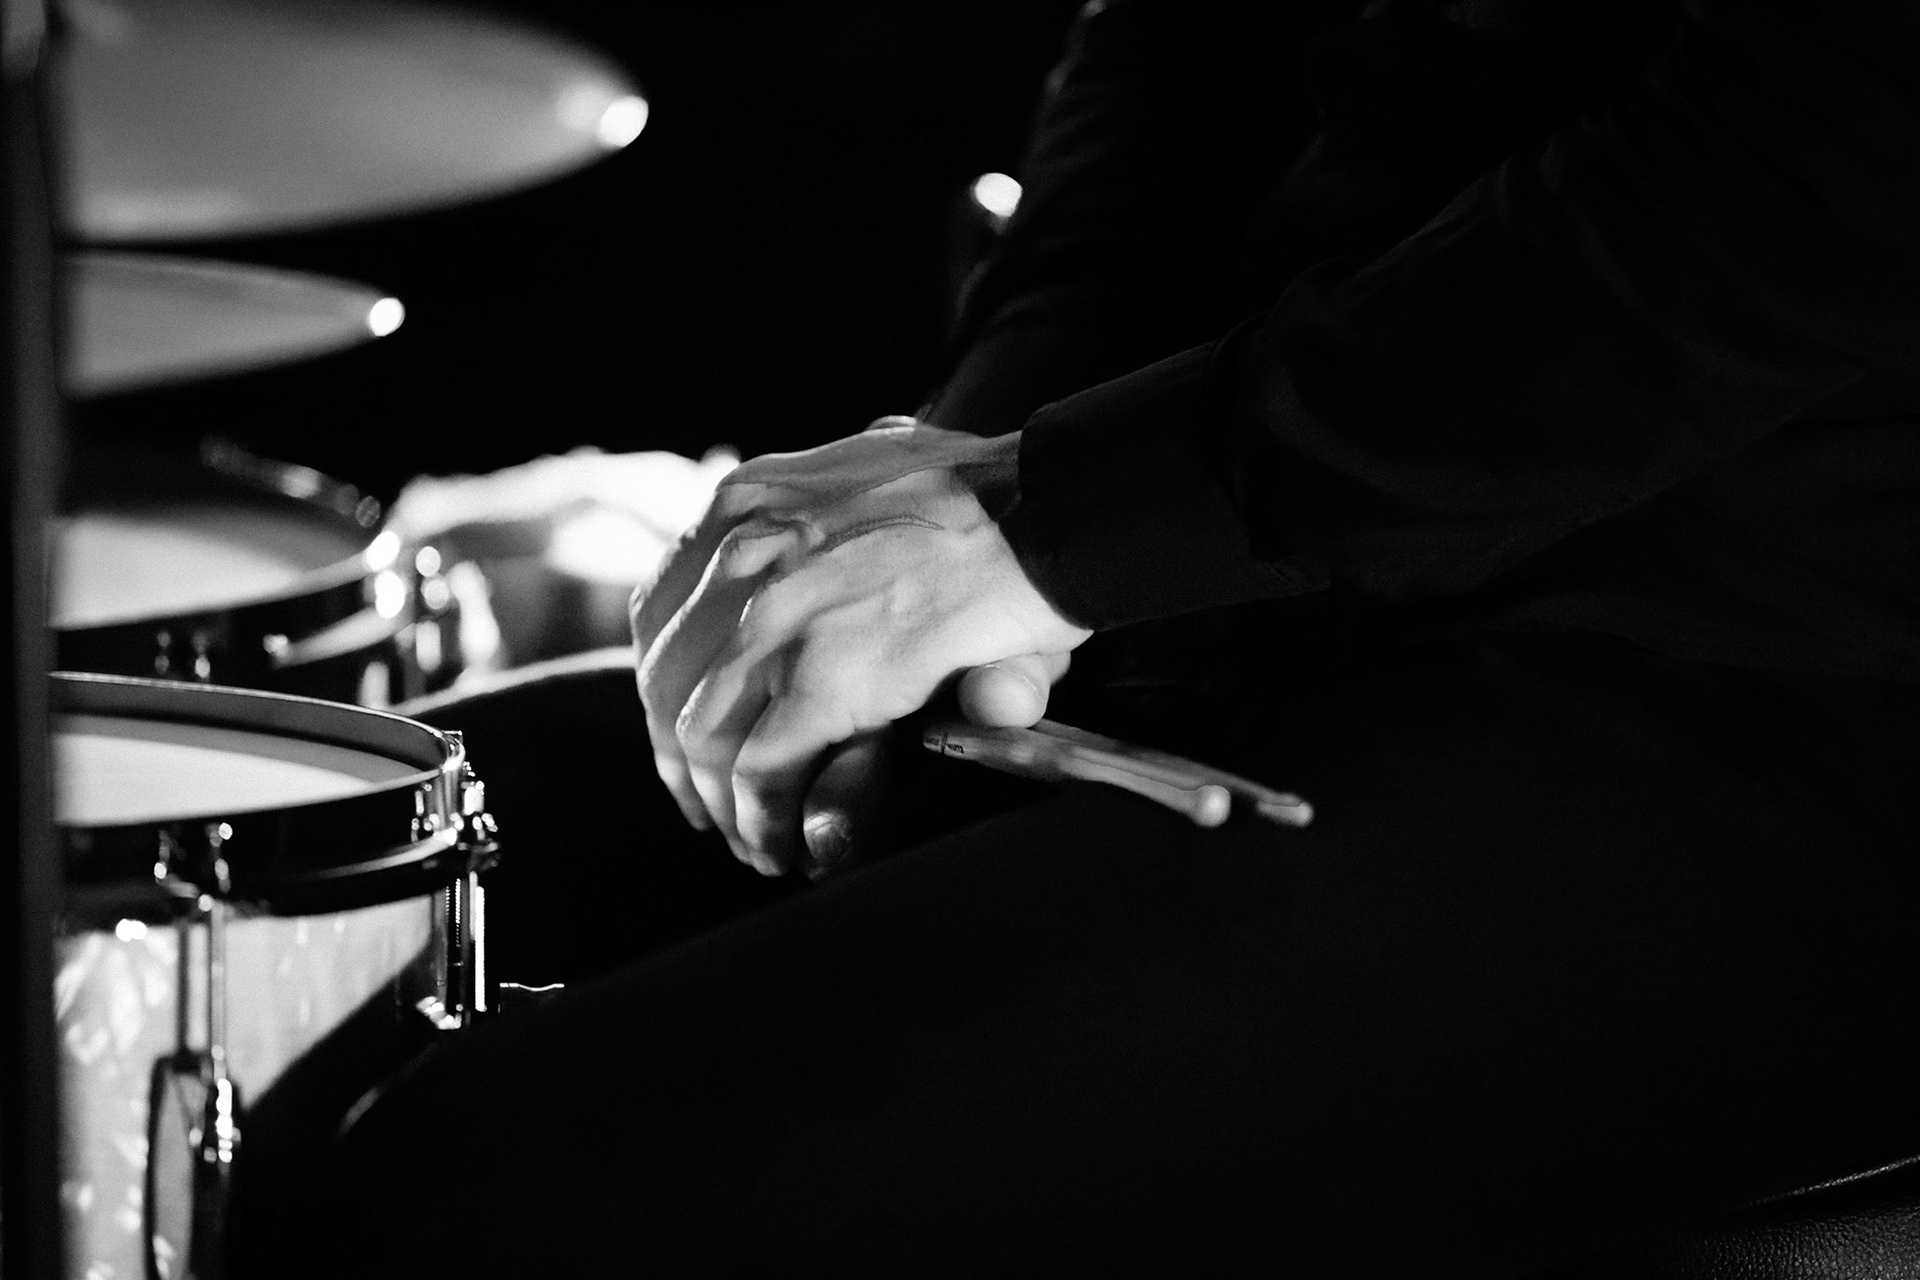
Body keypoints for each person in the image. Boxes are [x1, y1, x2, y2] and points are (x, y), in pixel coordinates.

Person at [258, 0, 1920, 1274]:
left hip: (1759, 690)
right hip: (1245, 565)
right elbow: (1177, 75)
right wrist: (971, 496)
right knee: (290, 878)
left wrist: (1057, 518)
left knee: (504, 1197)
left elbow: (1821, 170)